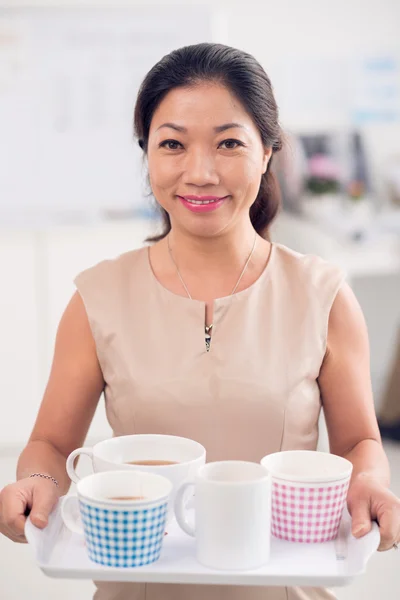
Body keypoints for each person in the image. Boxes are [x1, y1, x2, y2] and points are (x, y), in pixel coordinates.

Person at [0, 43, 399, 600]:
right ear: (148, 157)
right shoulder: (97, 298)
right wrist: (36, 484)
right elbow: (48, 443)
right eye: (172, 144)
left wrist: (372, 483)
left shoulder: (323, 295)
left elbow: (358, 442)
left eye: (229, 143)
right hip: (137, 586)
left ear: (267, 152)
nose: (200, 172)